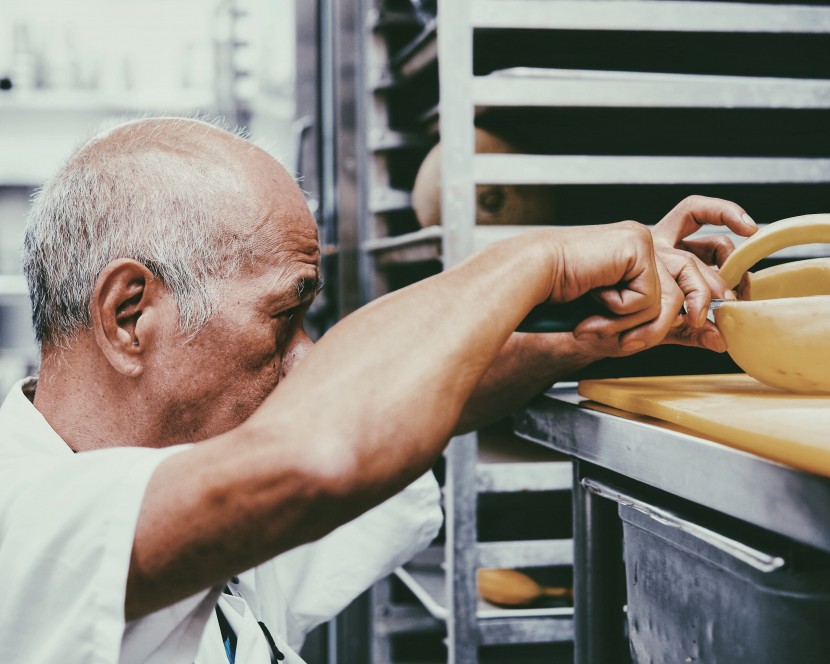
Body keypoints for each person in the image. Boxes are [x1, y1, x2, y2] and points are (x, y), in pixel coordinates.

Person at [0, 117, 756, 664]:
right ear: (130, 315)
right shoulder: (23, 520)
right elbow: (323, 448)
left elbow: (422, 394)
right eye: (283, 316)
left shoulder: (181, 477)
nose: (305, 361)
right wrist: (539, 261)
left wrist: (587, 332)